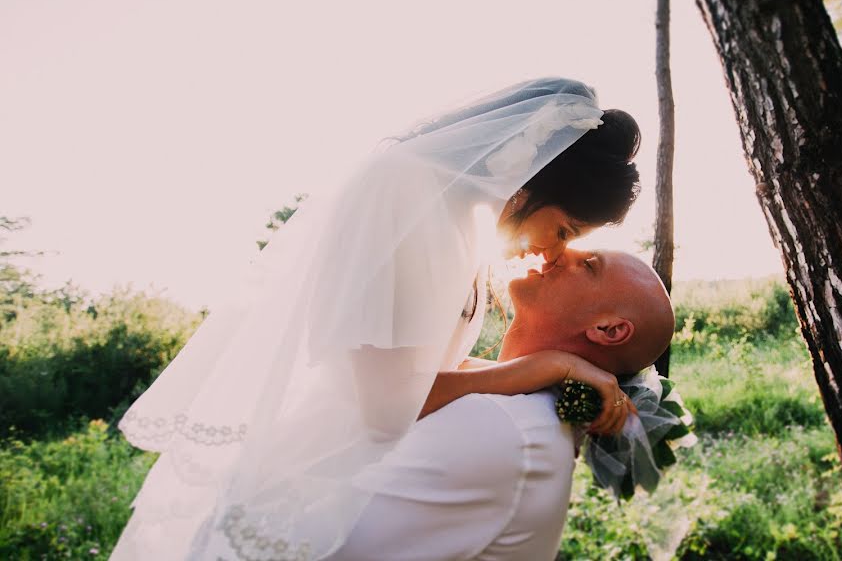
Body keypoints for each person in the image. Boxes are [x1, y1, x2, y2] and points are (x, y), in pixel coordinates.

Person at [110, 78, 643, 560]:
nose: (554, 252)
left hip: (375, 477)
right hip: (323, 483)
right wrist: (546, 367)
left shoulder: (458, 219)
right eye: (568, 230)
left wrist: (565, 373)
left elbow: (426, 368)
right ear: (537, 180)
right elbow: (389, 408)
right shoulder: (405, 192)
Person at [323, 248, 675, 560]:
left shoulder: (506, 428)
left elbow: (332, 547)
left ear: (609, 329)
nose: (559, 251)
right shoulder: (517, 404)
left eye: (588, 265)